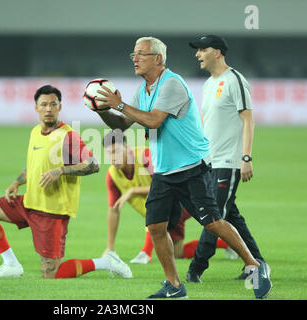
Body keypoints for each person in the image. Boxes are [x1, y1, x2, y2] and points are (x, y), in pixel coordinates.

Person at [95, 36, 272, 299]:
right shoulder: (142, 89)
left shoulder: (171, 84)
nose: (135, 58)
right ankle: (175, 285)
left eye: (141, 54)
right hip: (164, 171)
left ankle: (255, 265)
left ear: (158, 58)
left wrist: (119, 105)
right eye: (133, 54)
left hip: (192, 167)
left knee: (213, 222)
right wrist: (102, 110)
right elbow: (122, 125)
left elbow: (153, 121)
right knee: (155, 227)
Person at [0, 85, 132, 280]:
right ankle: (11, 264)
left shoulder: (68, 136)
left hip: (52, 211)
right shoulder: (35, 132)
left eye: (53, 104)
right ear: (36, 108)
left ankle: (106, 262)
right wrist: (17, 182)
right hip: (29, 202)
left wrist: (61, 170)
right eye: (44, 104)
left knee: (53, 274)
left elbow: (93, 164)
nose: (49, 109)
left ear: (60, 107)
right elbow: (35, 165)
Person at [186, 35, 267, 283]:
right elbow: (205, 123)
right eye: (197, 50)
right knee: (230, 215)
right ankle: (258, 264)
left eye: (202, 49)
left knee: (213, 218)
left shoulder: (235, 80)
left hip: (228, 162)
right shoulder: (210, 83)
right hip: (209, 162)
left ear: (218, 52)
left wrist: (246, 157)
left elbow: (248, 120)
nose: (198, 54)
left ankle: (195, 270)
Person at [101, 129, 231, 263]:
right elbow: (114, 210)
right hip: (168, 205)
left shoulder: (145, 156)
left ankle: (145, 253)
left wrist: (133, 190)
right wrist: (110, 248)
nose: (113, 157)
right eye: (109, 154)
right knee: (177, 252)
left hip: (183, 198)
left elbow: (163, 184)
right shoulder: (112, 176)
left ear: (127, 148)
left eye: (116, 151)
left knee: (162, 217)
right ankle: (225, 243)